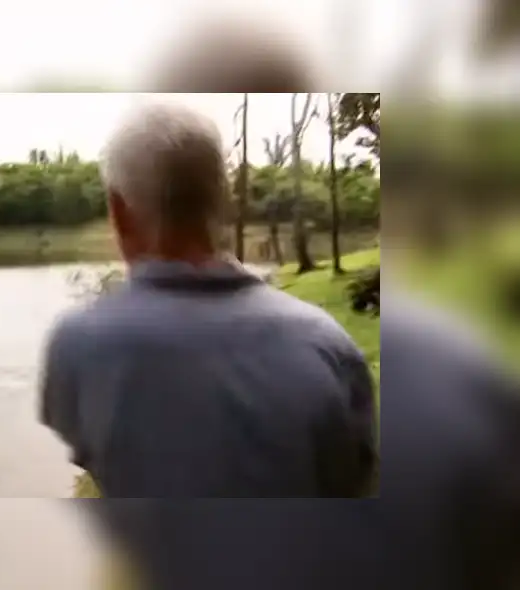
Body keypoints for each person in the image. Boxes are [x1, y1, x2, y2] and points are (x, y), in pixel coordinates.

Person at [38, 99, 378, 498]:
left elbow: (88, 448)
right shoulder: (328, 347)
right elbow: (355, 481)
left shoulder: (75, 344)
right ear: (222, 196)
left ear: (118, 210)